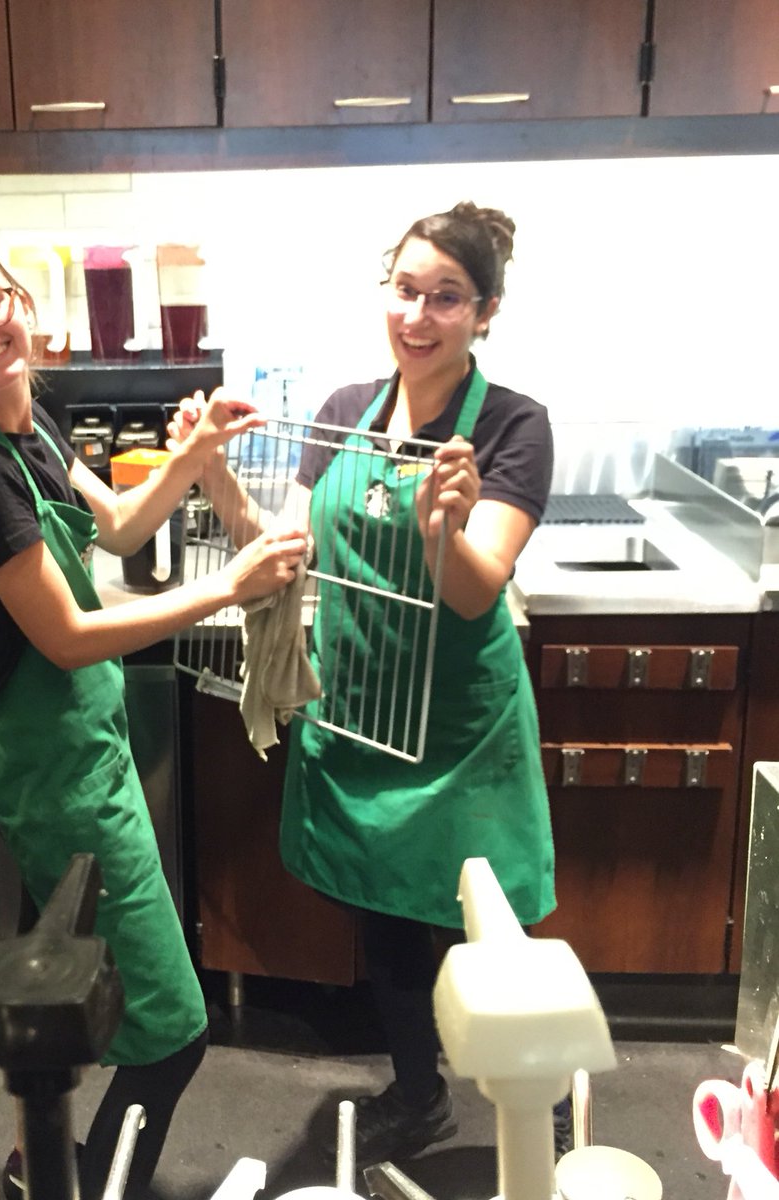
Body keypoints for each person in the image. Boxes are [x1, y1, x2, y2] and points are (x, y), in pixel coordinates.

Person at [0, 230, 308, 1200]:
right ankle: (80, 1181)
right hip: (60, 768)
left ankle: (37, 1162)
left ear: (23, 304)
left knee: (67, 996)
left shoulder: (29, 420)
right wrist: (234, 584)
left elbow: (118, 526)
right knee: (171, 1034)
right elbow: (71, 635)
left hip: (82, 752)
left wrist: (195, 454)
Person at [170, 201, 561, 1163]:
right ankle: (419, 1090)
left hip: (460, 726)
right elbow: (287, 555)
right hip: (359, 709)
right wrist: (210, 474)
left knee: (488, 926)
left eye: (447, 298)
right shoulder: (346, 410)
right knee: (385, 922)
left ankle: (544, 1100)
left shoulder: (513, 427)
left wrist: (442, 523)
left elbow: (474, 597)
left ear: (486, 311)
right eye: (405, 291)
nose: (418, 317)